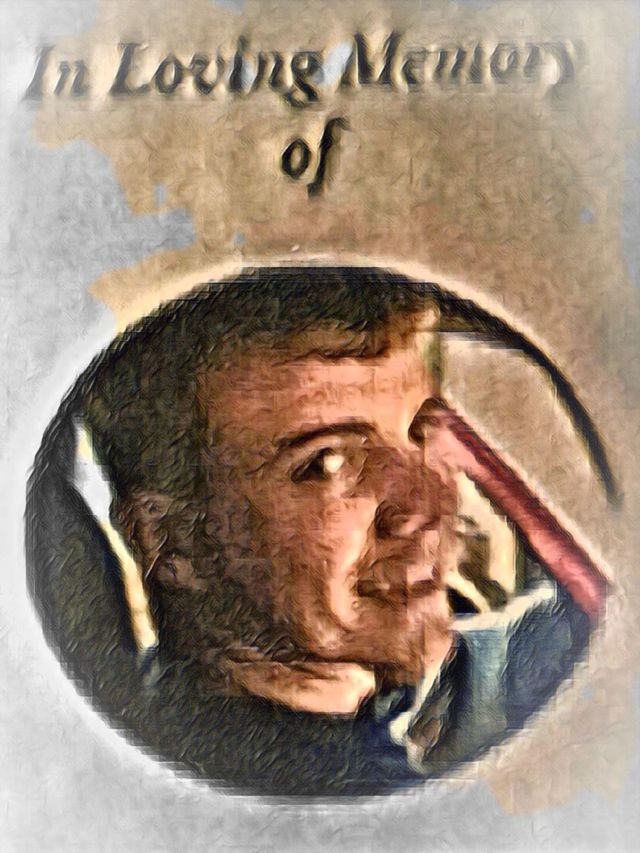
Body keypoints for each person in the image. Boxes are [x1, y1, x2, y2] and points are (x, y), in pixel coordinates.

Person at [30, 267, 606, 795]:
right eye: (327, 462)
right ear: (173, 541)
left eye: (422, 433)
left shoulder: (497, 678)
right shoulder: (167, 786)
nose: (426, 504)